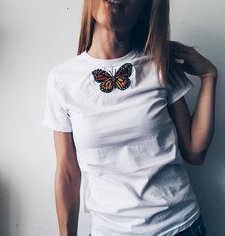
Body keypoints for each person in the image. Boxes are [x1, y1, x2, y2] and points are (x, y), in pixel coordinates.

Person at [42, 0, 217, 235]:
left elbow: (195, 152)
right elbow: (67, 172)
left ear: (146, 10)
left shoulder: (158, 65)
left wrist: (209, 76)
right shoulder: (62, 80)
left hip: (180, 226)